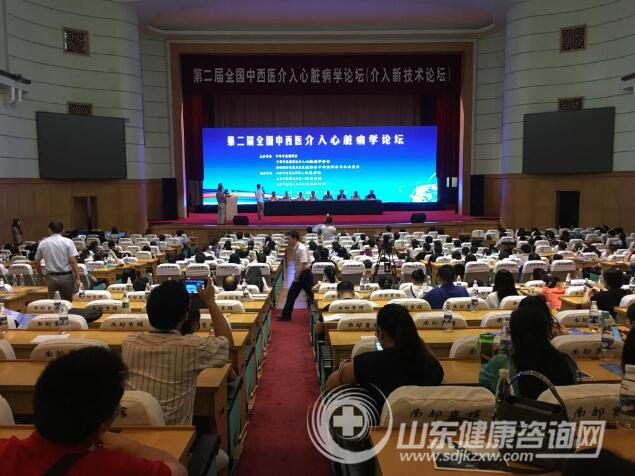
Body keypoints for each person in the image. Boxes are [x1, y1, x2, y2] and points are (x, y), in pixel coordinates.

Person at [0, 346, 186, 476]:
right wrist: (131, 447)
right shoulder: (114, 467)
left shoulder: (5, 451)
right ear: (103, 424)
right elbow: (178, 471)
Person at [122, 279, 233, 425]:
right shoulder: (192, 347)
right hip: (175, 436)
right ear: (186, 315)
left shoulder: (129, 343)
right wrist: (210, 302)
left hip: (131, 433)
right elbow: (227, 344)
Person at [325, 304, 444, 417]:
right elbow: (436, 364)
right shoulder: (432, 368)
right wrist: (416, 340)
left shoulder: (367, 363)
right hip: (419, 427)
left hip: (375, 426)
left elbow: (330, 384)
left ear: (381, 333)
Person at [479, 306, 578, 399]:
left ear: (512, 333)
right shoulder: (568, 361)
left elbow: (483, 379)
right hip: (560, 412)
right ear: (547, 331)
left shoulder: (502, 363)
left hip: (517, 412)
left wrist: (490, 363)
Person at [33, 222, 81, 301]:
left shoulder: (43, 243)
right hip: (66, 277)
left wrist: (41, 276)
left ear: (49, 230)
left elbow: (36, 261)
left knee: (53, 303)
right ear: (63, 230)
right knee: (67, 302)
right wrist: (77, 278)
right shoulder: (68, 242)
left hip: (50, 278)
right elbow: (73, 261)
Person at [279, 231, 313, 321]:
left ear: (294, 239)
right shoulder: (295, 247)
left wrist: (297, 276)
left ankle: (325, 308)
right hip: (302, 274)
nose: (287, 240)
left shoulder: (301, 248)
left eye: (289, 239)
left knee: (311, 293)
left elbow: (303, 263)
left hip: (304, 275)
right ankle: (286, 315)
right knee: (292, 294)